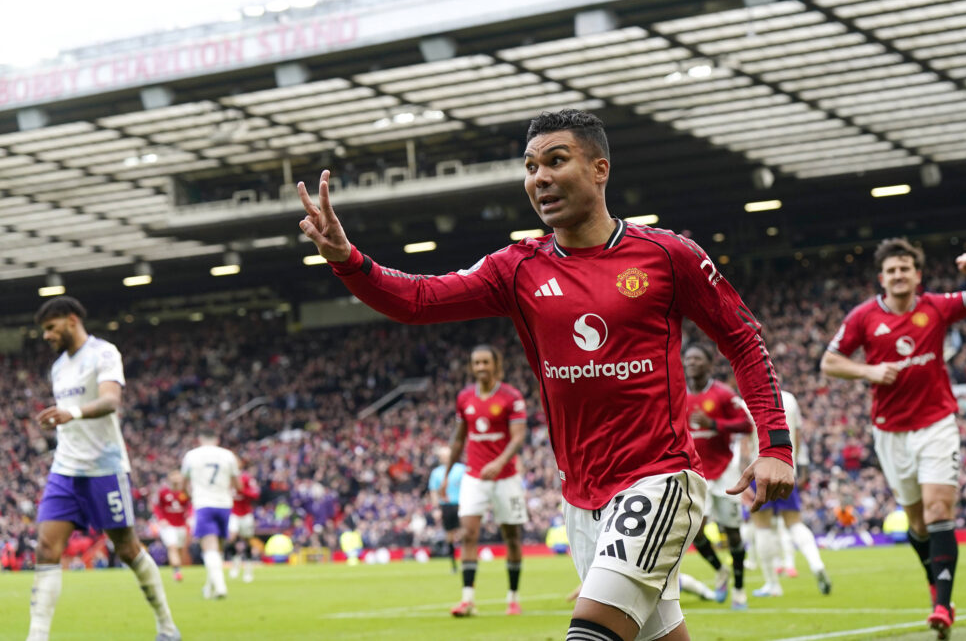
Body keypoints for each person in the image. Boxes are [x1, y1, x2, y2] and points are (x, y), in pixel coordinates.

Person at [298, 108, 794, 641]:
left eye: (556, 161)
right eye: (531, 167)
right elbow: (418, 300)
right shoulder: (517, 268)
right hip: (580, 497)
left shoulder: (667, 255)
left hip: (659, 479)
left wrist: (775, 445)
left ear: (600, 169)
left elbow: (743, 338)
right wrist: (347, 259)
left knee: (590, 634)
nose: (540, 178)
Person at [821, 238, 966, 640]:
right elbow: (829, 362)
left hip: (937, 424)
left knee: (939, 508)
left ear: (917, 274)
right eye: (892, 270)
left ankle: (942, 605)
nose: (899, 275)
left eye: (905, 268)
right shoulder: (863, 317)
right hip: (890, 433)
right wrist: (869, 372)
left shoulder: (936, 306)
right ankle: (935, 586)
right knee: (918, 524)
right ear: (882, 278)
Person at [27, 296, 180, 641]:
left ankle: (167, 626)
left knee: (127, 549)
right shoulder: (58, 367)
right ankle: (37, 636)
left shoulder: (104, 353)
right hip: (65, 469)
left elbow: (111, 400)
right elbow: (69, 414)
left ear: (71, 320)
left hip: (104, 469)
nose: (46, 336)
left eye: (51, 328)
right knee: (46, 548)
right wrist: (59, 420)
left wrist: (73, 413)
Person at [441, 345, 528, 617]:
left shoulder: (511, 396)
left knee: (511, 537)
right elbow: (459, 439)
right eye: (476, 363)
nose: (480, 367)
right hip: (474, 476)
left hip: (506, 477)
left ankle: (513, 598)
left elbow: (518, 437)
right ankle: (467, 600)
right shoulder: (464, 397)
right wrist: (446, 474)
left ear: (495, 364)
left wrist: (499, 462)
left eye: (485, 362)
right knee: (468, 534)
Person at [681, 344, 753, 610]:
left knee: (732, 533)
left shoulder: (722, 394)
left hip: (724, 471)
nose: (691, 362)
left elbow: (746, 424)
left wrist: (713, 424)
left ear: (709, 364)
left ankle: (739, 590)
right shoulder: (678, 394)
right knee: (694, 530)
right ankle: (720, 570)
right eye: (688, 358)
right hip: (695, 473)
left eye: (697, 358)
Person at [748, 388, 831, 598]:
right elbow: (798, 436)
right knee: (794, 523)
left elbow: (743, 441)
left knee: (762, 527)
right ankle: (816, 564)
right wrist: (799, 465)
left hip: (759, 468)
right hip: (786, 467)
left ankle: (772, 584)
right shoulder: (789, 398)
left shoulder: (747, 399)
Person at [181, 426, 241, 600]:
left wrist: (191, 494)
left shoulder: (191, 455)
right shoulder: (228, 455)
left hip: (203, 504)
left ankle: (220, 587)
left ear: (200, 439)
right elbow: (238, 485)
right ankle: (209, 587)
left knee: (209, 548)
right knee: (217, 549)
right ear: (217, 440)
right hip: (224, 504)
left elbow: (183, 484)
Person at [428, 445, 467, 574]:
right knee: (449, 536)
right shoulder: (436, 473)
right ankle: (453, 564)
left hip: (461, 505)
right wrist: (436, 508)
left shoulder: (461, 469)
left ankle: (466, 562)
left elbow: (467, 486)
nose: (445, 458)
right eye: (443, 456)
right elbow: (433, 491)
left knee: (464, 533)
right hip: (446, 506)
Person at [153, 471, 191, 582]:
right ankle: (177, 572)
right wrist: (161, 519)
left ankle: (177, 570)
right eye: (174, 476)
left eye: (178, 476)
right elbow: (156, 506)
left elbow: (190, 505)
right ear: (170, 478)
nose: (176, 478)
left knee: (179, 549)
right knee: (172, 547)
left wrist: (189, 516)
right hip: (168, 526)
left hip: (181, 525)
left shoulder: (185, 492)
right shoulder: (163, 492)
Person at [227, 466, 261, 582]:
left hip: (246, 514)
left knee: (247, 541)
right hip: (232, 514)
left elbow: (255, 495)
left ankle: (248, 568)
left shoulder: (246, 478)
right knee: (232, 538)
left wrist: (242, 490)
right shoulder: (227, 477)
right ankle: (235, 564)